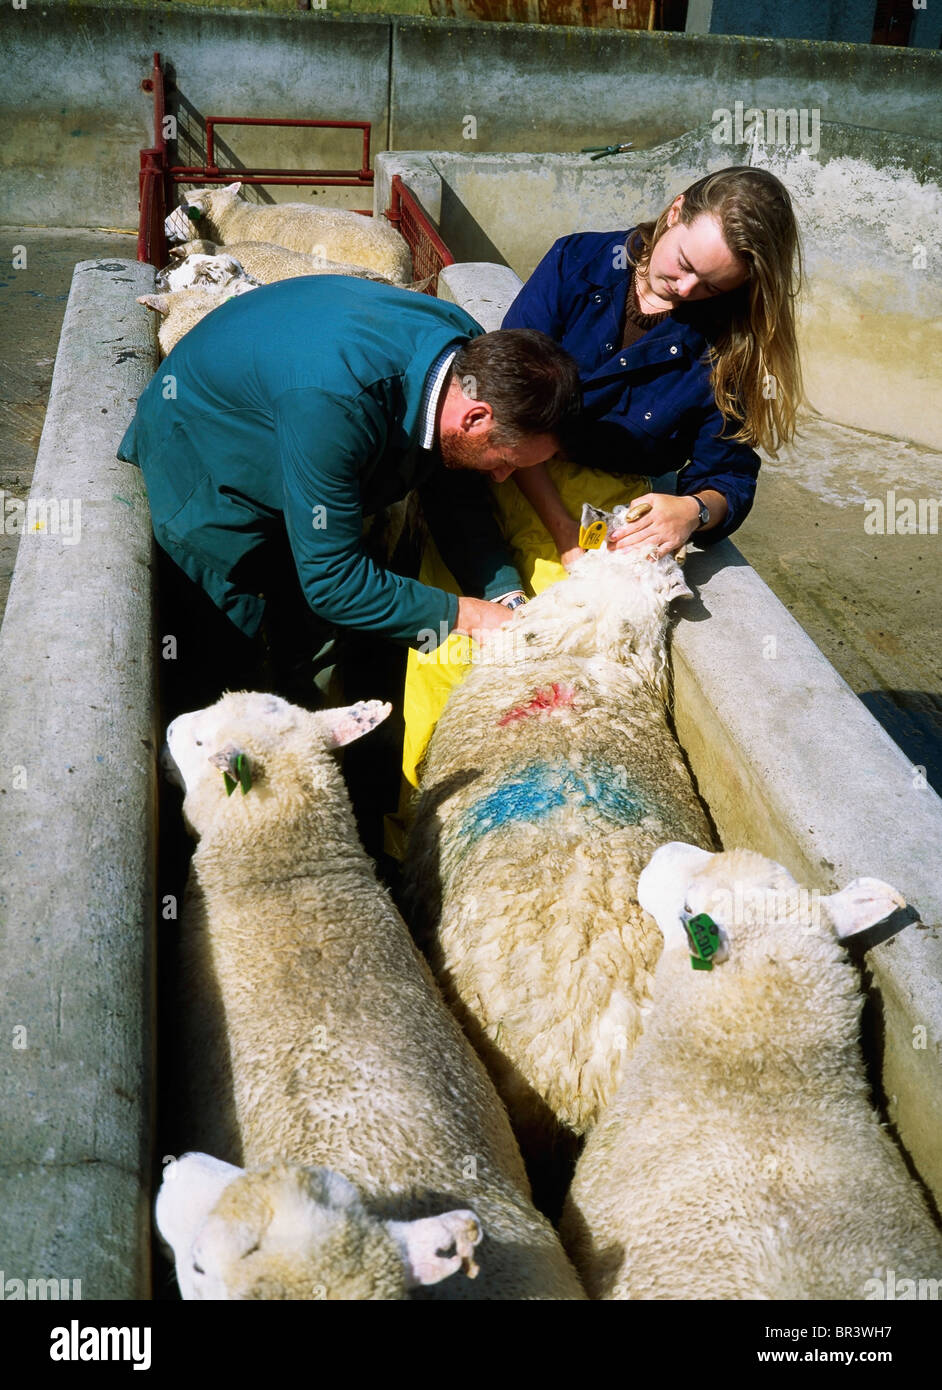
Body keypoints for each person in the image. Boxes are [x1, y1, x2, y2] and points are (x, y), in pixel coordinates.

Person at [117, 275, 582, 689]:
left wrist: (505, 596)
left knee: (319, 625)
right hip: (207, 473)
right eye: (505, 461)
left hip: (301, 432)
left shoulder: (467, 358)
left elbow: (454, 485)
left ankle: (319, 694)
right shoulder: (334, 407)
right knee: (235, 665)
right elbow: (333, 582)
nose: (504, 477)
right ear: (477, 417)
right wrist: (471, 616)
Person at [501, 165, 804, 562]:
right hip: (511, 474)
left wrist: (693, 511)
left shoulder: (731, 346)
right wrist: (566, 537)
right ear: (676, 211)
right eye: (685, 262)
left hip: (617, 511)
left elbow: (729, 475)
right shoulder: (575, 261)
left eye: (712, 286)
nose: (685, 288)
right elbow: (509, 405)